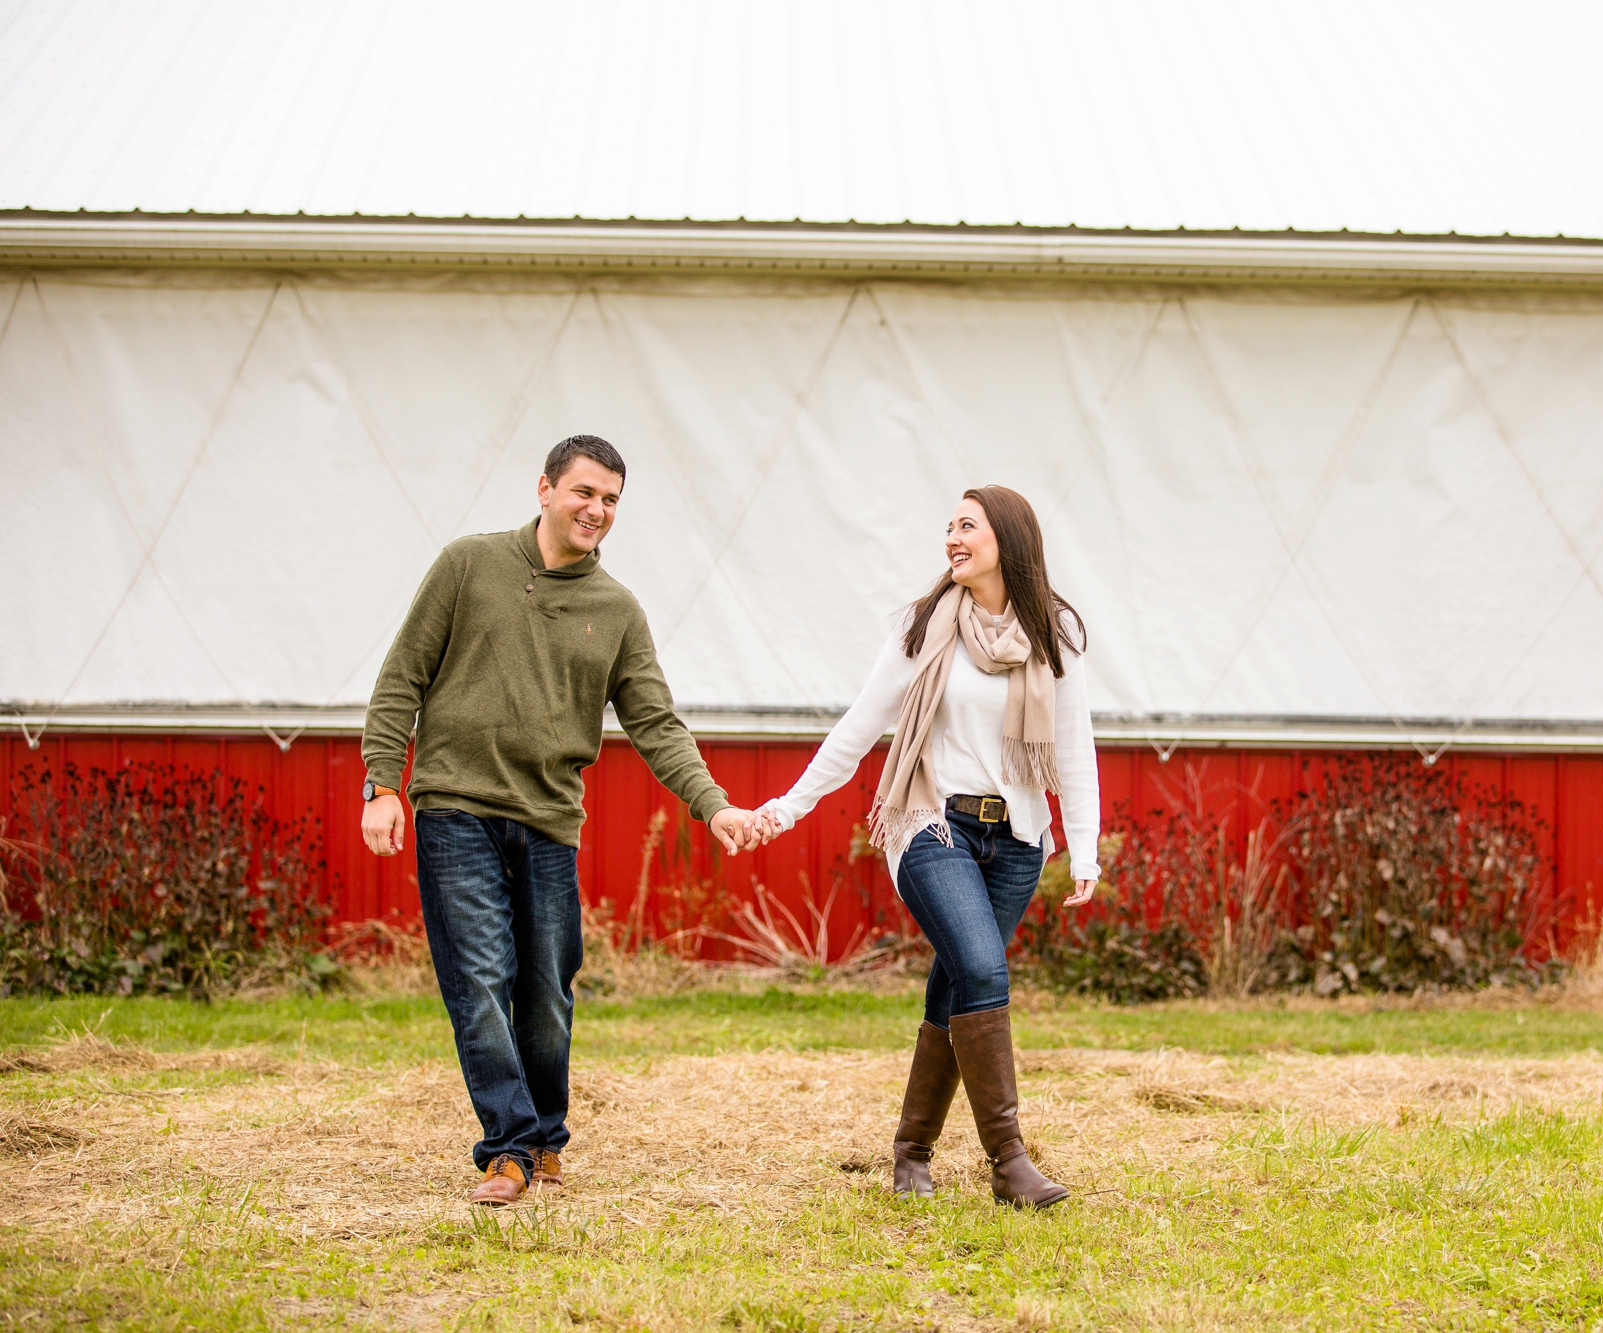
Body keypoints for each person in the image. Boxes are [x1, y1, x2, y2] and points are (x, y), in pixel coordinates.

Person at [360, 434, 763, 1206]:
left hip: (548, 819)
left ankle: (545, 1137)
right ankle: (507, 1147)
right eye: (584, 492)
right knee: (479, 976)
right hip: (456, 806)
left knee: (545, 988)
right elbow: (400, 676)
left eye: (611, 499)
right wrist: (383, 783)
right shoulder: (467, 564)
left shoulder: (615, 610)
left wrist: (713, 805)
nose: (597, 510)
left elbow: (657, 722)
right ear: (544, 488)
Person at [753, 485, 1099, 1209]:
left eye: (966, 526)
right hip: (931, 823)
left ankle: (911, 1151)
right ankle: (1010, 1160)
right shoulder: (923, 627)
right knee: (980, 964)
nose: (952, 537)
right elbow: (859, 726)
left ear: (1006, 537)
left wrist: (1084, 847)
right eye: (949, 526)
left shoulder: (1055, 632)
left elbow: (1074, 746)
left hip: (1016, 840)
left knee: (958, 981)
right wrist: (787, 807)